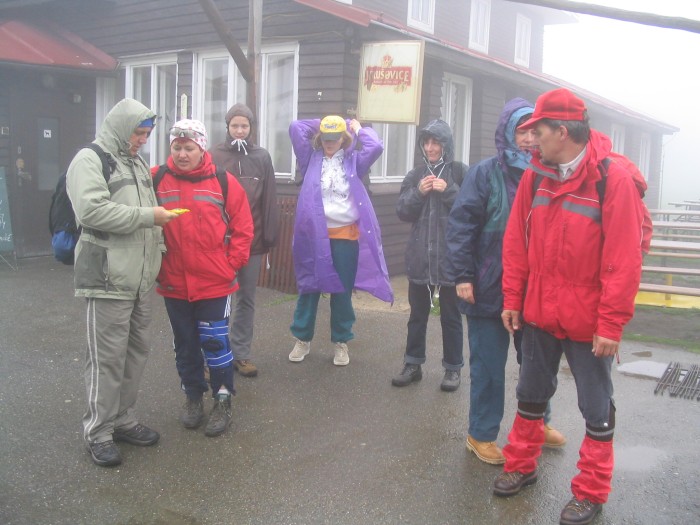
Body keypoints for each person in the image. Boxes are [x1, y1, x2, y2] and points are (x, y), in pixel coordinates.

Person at [493, 88, 647, 525]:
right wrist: (513, 298)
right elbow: (516, 243)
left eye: (538, 131)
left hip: (589, 321)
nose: (531, 139)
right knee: (530, 394)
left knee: (595, 407)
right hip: (540, 313)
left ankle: (590, 492)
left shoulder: (612, 180)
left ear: (562, 132)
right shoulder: (536, 176)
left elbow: (624, 259)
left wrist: (611, 324)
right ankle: (521, 466)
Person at [445, 99, 566, 465]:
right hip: (487, 288)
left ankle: (538, 423)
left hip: (534, 290)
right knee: (488, 367)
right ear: (507, 133)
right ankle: (480, 434)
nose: (529, 139)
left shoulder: (550, 174)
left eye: (534, 131)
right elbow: (461, 225)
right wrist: (463, 275)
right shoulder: (485, 173)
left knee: (537, 365)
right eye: (521, 131)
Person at [67, 98, 177, 467]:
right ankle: (98, 432)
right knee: (106, 360)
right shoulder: (89, 159)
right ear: (121, 127)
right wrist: (150, 216)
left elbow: (148, 218)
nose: (143, 140)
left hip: (140, 280)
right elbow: (91, 210)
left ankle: (123, 420)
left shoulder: (136, 162)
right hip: (107, 278)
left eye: (147, 134)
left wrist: (158, 252)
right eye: (138, 133)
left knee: (135, 354)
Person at [153, 119, 253, 438]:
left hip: (214, 283)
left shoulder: (222, 181)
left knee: (215, 344)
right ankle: (193, 396)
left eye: (189, 148)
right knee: (185, 345)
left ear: (202, 148)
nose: (182, 154)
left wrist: (230, 265)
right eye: (177, 147)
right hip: (174, 283)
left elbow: (243, 227)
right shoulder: (156, 179)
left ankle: (222, 400)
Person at [288, 116, 392, 366]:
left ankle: (341, 342)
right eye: (326, 137)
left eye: (335, 138)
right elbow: (296, 128)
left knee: (342, 292)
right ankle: (302, 338)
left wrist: (356, 127)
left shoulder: (354, 160)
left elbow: (376, 146)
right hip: (314, 237)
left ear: (344, 138)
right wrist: (327, 122)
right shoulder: (310, 159)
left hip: (345, 236)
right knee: (309, 288)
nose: (329, 142)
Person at [392, 119, 466, 392]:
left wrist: (449, 191)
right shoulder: (415, 175)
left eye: (436, 142)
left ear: (446, 145)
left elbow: (471, 211)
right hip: (420, 258)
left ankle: (453, 368)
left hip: (451, 260)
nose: (431, 148)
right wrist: (418, 193)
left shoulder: (460, 173)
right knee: (417, 316)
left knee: (451, 318)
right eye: (427, 142)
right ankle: (412, 365)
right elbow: (402, 211)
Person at [210, 103, 279, 378]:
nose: (239, 130)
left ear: (251, 128)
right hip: (220, 242)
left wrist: (269, 237)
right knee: (216, 299)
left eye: (244, 126)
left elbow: (269, 198)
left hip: (252, 241)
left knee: (246, 298)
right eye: (235, 125)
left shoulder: (261, 157)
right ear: (227, 127)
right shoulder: (214, 155)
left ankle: (241, 353)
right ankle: (215, 353)